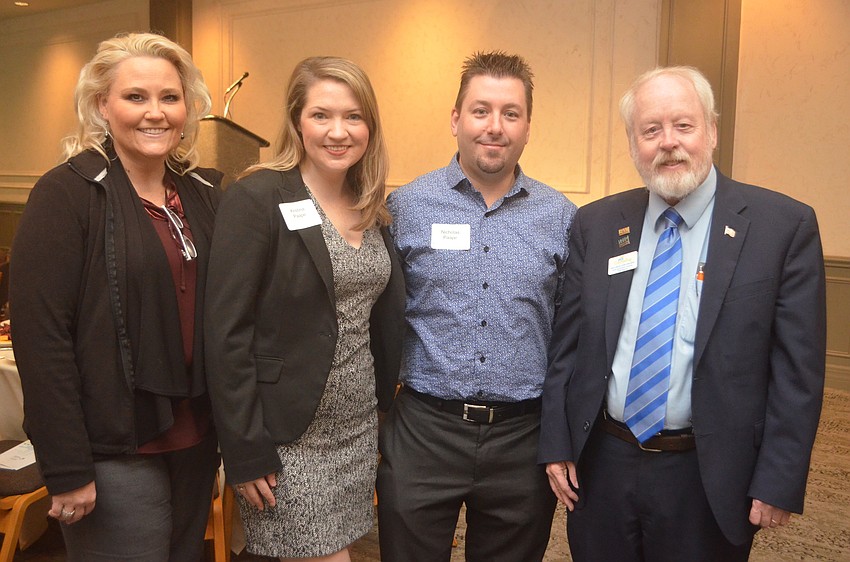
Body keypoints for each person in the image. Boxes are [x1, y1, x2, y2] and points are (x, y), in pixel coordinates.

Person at [539, 66, 826, 561]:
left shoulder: (782, 227)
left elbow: (797, 372)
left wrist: (779, 477)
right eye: (651, 129)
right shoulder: (598, 223)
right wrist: (557, 443)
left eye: (683, 125)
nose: (668, 142)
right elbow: (567, 347)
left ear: (711, 131)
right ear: (633, 143)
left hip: (708, 472)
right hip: (603, 464)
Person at [10, 32, 222, 560]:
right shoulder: (66, 194)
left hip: (196, 438)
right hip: (113, 446)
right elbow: (42, 340)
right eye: (135, 97)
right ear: (102, 105)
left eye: (170, 97)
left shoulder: (204, 193)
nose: (156, 113)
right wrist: (66, 466)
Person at [376, 51, 577, 561]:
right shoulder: (405, 207)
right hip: (424, 430)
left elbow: (571, 333)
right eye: (480, 110)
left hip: (523, 439)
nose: (495, 127)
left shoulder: (562, 218)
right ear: (455, 119)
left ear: (528, 127)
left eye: (511, 113)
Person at [204, 56, 405, 562]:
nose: (338, 131)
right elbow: (225, 334)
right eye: (321, 115)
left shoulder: (372, 205)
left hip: (357, 428)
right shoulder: (257, 198)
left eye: (353, 116)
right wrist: (243, 449)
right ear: (297, 122)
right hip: (286, 438)